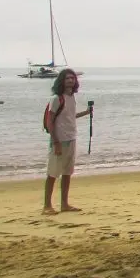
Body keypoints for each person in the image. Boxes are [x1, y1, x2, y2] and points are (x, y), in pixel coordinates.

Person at [43, 68, 91, 215]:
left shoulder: (71, 97)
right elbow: (50, 121)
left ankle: (64, 204)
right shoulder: (56, 98)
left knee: (67, 173)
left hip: (71, 139)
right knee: (52, 173)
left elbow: (70, 116)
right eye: (67, 78)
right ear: (61, 81)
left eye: (72, 78)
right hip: (59, 141)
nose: (70, 80)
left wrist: (87, 112)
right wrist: (55, 141)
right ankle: (47, 206)